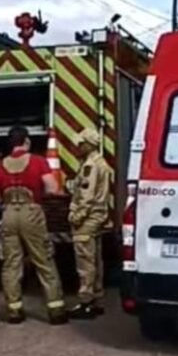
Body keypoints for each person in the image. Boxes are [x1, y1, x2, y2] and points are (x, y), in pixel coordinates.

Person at [0, 126, 67, 325]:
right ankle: (55, 309)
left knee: (11, 263)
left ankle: (14, 310)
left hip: (8, 214)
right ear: (26, 142)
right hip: (32, 213)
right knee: (44, 260)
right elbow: (53, 187)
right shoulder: (38, 162)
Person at [67, 128, 111, 319]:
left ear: (88, 144)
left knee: (85, 261)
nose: (77, 146)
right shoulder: (100, 163)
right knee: (96, 261)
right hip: (98, 216)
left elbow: (86, 195)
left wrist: (77, 216)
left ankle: (86, 302)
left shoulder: (90, 167)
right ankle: (98, 299)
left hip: (88, 218)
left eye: (80, 143)